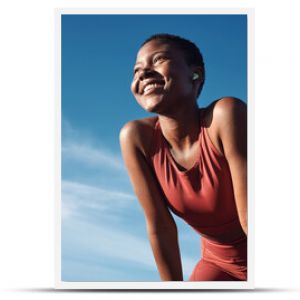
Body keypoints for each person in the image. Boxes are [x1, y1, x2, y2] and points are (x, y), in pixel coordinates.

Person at [119, 33, 247, 281]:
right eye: (137, 70)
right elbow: (160, 227)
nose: (143, 73)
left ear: (195, 74)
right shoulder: (136, 138)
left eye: (159, 60)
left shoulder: (226, 115)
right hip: (219, 265)